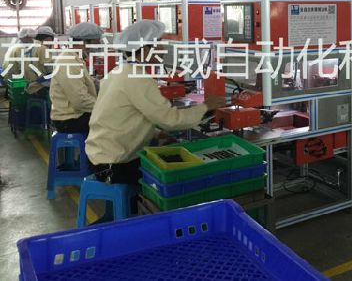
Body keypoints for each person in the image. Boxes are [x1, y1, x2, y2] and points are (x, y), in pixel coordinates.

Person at [86, 20, 226, 186]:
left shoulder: (118, 72)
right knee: (180, 177)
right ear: (145, 49)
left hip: (101, 154)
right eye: (158, 43)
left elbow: (127, 116)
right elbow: (171, 120)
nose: (162, 48)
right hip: (115, 164)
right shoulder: (138, 79)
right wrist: (206, 106)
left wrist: (153, 133)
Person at [50, 22, 103, 137]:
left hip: (77, 114)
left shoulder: (75, 58)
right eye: (96, 43)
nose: (98, 46)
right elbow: (80, 101)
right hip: (69, 119)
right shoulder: (68, 61)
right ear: (84, 42)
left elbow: (87, 82)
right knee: (112, 121)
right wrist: (104, 106)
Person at [25, 25, 56, 96]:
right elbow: (50, 68)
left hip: (29, 85)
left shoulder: (30, 48)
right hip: (39, 86)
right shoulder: (42, 48)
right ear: (48, 39)